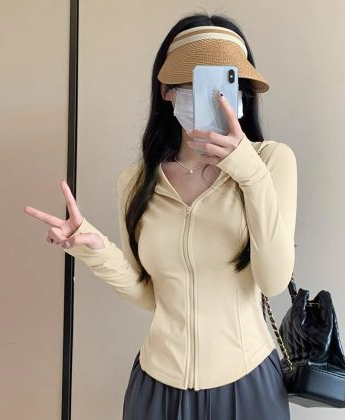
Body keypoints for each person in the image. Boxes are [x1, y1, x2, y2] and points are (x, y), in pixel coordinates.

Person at [24, 13, 297, 420]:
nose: (215, 99)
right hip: (156, 387)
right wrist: (95, 250)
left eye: (227, 84)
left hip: (248, 384)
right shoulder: (135, 183)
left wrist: (249, 173)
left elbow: (273, 280)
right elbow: (151, 294)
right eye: (196, 84)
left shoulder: (272, 162)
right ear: (167, 90)